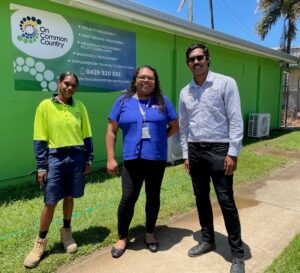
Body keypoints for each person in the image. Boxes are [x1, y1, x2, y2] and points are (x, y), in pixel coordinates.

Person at [179, 43, 245, 273]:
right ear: (188, 64)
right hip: (195, 150)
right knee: (201, 197)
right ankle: (207, 240)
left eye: (200, 58)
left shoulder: (225, 83)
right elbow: (184, 126)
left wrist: (232, 152)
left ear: (208, 59)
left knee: (226, 200)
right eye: (192, 59)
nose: (196, 62)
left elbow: (235, 119)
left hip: (219, 149)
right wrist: (186, 154)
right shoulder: (185, 92)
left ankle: (237, 255)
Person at [106, 65, 178, 258]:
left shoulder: (163, 102)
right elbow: (111, 131)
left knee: (153, 197)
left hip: (155, 159)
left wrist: (160, 139)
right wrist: (111, 158)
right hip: (132, 160)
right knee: (128, 198)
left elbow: (174, 126)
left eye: (151, 78)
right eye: (142, 77)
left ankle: (150, 234)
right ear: (135, 80)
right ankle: (122, 238)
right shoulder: (123, 101)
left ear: (155, 82)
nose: (146, 81)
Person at [24, 72, 94, 268]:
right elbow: (40, 137)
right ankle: (40, 242)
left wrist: (88, 158)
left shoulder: (79, 107)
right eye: (66, 83)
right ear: (59, 83)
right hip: (54, 157)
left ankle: (66, 233)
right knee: (50, 201)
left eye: (73, 85)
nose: (69, 88)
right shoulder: (45, 106)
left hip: (77, 156)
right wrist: (41, 165)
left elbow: (87, 134)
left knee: (70, 197)